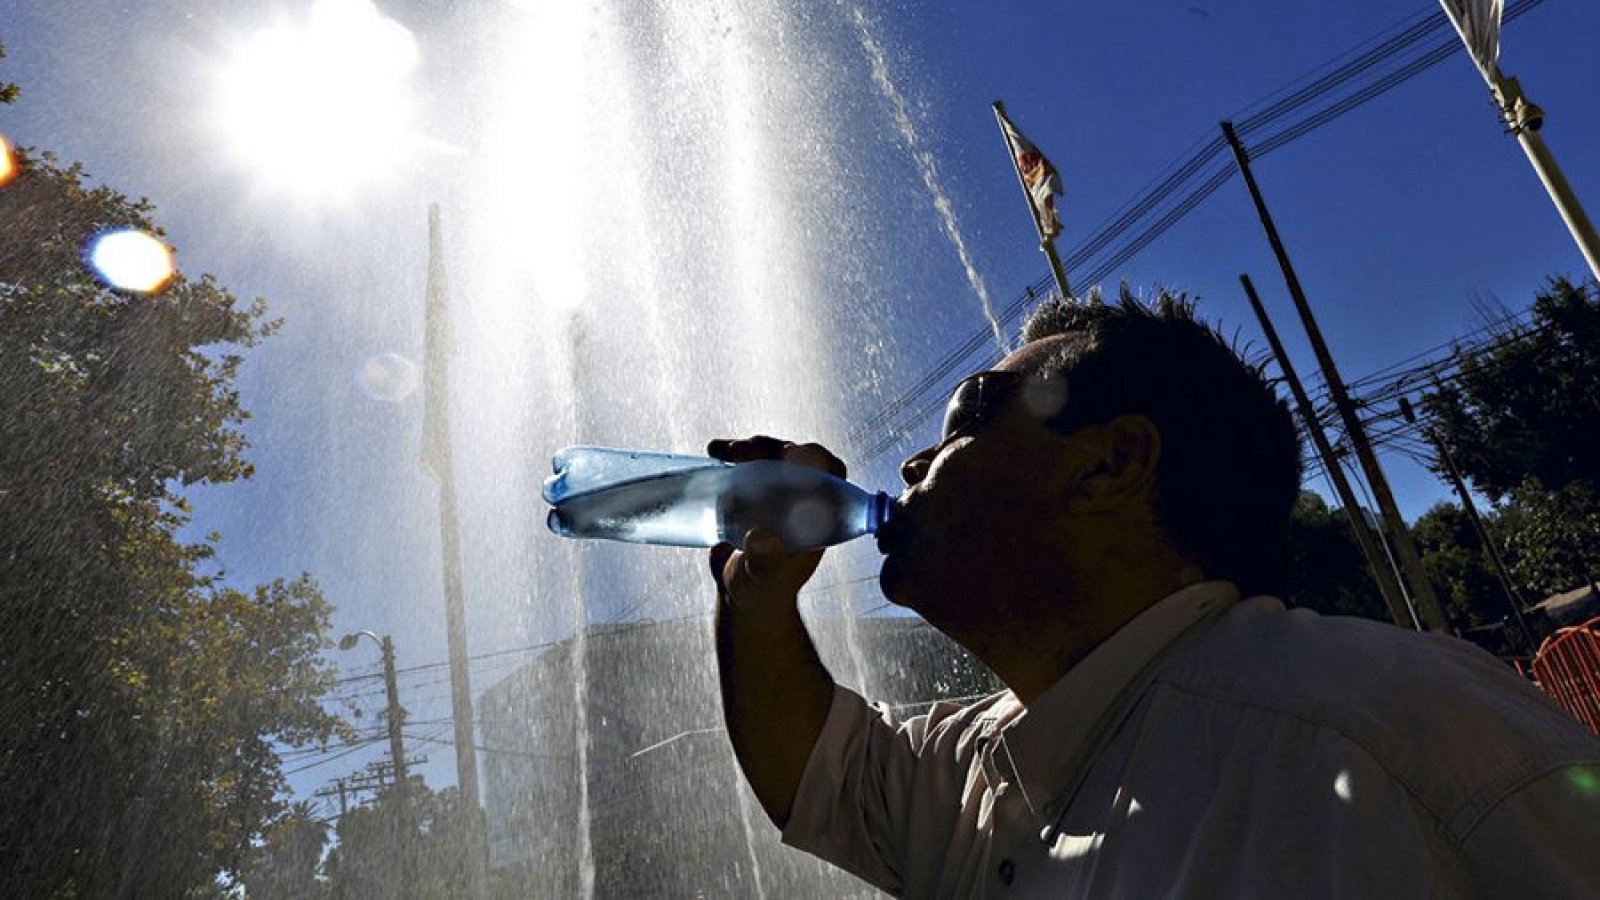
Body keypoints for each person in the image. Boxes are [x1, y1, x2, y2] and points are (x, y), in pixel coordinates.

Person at [707, 289, 1600, 898]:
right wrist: (755, 594)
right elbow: (820, 774)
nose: (912, 462)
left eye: (971, 411)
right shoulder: (989, 761)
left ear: (1112, 462)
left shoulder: (1391, 721)